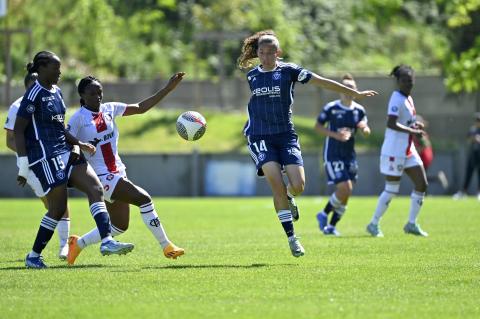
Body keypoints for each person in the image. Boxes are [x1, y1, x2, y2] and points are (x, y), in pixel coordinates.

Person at [237, 30, 377, 257]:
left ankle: (290, 197)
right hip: (260, 136)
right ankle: (292, 238)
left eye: (269, 53)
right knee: (276, 184)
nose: (265, 57)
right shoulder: (252, 75)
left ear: (278, 53)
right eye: (261, 53)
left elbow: (322, 82)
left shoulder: (290, 71)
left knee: (299, 185)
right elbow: (255, 107)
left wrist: (353, 92)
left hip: (285, 135)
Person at [14, 51, 134, 269]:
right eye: (55, 68)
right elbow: (18, 130)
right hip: (47, 158)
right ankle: (33, 255)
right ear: (41, 69)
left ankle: (107, 241)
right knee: (57, 209)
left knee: (95, 188)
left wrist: (78, 144)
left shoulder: (57, 91)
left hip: (67, 151)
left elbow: (60, 128)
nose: (60, 72)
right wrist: (23, 165)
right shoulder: (33, 95)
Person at [66, 73, 186, 265]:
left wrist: (168, 89)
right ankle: (166, 245)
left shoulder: (109, 109)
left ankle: (78, 244)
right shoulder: (78, 118)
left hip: (118, 172)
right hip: (101, 177)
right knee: (144, 199)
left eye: (100, 92)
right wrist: (78, 147)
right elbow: (67, 139)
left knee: (120, 226)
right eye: (92, 93)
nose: (97, 97)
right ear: (82, 96)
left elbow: (140, 108)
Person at [4, 72, 71, 259]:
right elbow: (10, 140)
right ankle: (38, 252)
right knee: (50, 204)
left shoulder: (51, 98)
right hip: (32, 164)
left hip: (52, 157)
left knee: (59, 200)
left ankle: (64, 247)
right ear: (28, 87)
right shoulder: (17, 106)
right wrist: (29, 156)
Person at [366, 64, 428, 238]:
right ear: (398, 82)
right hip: (394, 151)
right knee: (391, 189)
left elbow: (406, 121)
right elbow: (391, 123)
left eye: (410, 80)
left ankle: (411, 224)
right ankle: (373, 224)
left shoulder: (408, 98)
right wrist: (413, 131)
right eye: (404, 80)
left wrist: (415, 125)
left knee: (422, 184)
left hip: (408, 149)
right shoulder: (396, 98)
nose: (407, 83)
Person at [315, 74, 371, 236]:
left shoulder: (359, 110)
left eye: (351, 88)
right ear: (339, 90)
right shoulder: (331, 107)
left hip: (349, 155)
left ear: (355, 91)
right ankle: (324, 214)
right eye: (345, 87)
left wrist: (364, 128)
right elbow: (318, 127)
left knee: (347, 193)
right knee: (345, 188)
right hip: (333, 153)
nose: (347, 90)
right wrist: (336, 135)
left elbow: (366, 131)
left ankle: (331, 227)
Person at [412, 115, 449, 190]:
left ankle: (437, 178)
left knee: (420, 178)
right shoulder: (419, 132)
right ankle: (425, 193)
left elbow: (425, 144)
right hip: (426, 156)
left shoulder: (419, 133)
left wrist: (416, 153)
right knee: (421, 178)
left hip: (424, 157)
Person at [452, 112, 480, 200]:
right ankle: (463, 192)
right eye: (476, 120)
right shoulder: (472, 129)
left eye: (478, 120)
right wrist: (474, 139)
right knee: (468, 174)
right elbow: (468, 138)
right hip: (472, 155)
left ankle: (479, 192)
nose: (477, 122)